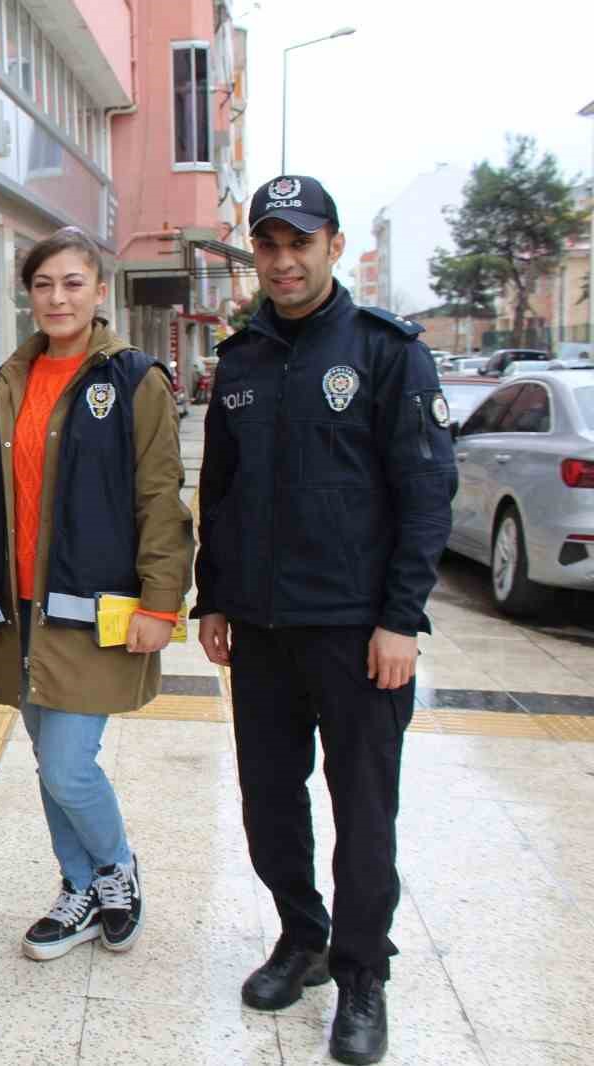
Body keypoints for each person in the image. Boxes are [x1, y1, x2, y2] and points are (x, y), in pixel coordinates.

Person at [193, 175, 456, 1066]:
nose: (283, 260)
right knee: (269, 803)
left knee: (364, 811)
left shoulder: (386, 353)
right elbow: (219, 490)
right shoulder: (242, 356)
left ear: (333, 247)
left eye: (299, 243)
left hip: (355, 632)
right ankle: (302, 938)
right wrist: (213, 595)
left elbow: (426, 496)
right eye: (268, 244)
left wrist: (401, 621)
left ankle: (362, 974)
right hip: (261, 632)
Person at [0, 226, 192, 962]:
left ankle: (116, 868)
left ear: (98, 289)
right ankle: (77, 886)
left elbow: (160, 495)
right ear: (28, 295)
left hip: (92, 611)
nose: (58, 297)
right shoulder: (6, 382)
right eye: (45, 284)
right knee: (46, 758)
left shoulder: (133, 379)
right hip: (22, 611)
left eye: (73, 283)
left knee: (67, 765)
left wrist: (162, 601)